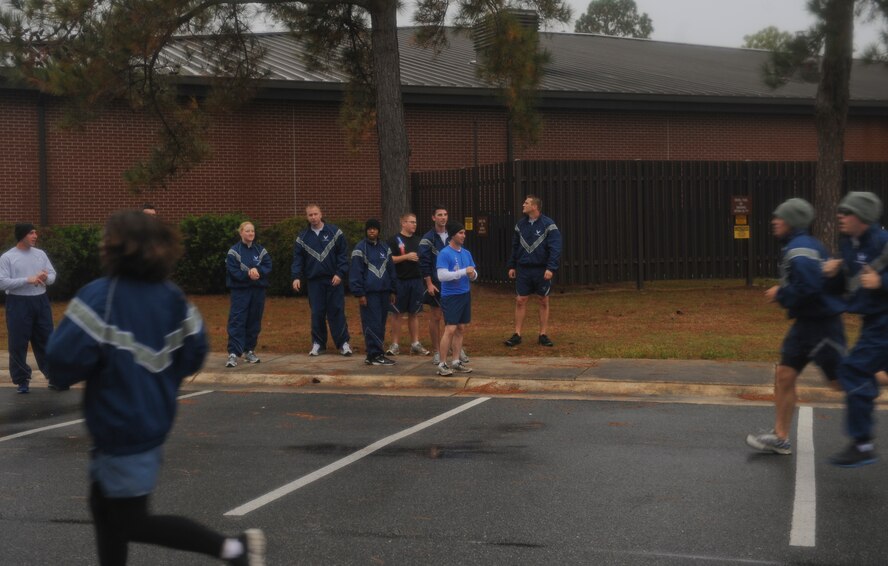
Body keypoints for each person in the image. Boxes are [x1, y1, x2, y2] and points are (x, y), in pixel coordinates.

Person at [44, 211, 265, 566]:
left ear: (117, 249)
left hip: (118, 426)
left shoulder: (101, 298)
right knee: (105, 510)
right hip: (152, 422)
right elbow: (195, 352)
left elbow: (60, 361)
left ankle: (234, 549)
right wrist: (158, 380)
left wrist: (100, 369)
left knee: (129, 521)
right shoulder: (173, 298)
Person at [745, 198, 845, 455]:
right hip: (804, 326)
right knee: (785, 376)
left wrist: (781, 293)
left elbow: (809, 289)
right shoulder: (802, 246)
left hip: (822, 327)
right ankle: (780, 437)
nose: (774, 221)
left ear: (791, 222)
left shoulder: (800, 249)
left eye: (779, 218)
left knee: (841, 383)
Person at [823, 191, 888, 467]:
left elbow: (874, 281)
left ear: (862, 217)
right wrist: (834, 274)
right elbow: (850, 285)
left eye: (846, 212)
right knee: (863, 373)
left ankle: (862, 443)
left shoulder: (883, 242)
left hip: (885, 321)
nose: (840, 215)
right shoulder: (849, 244)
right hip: (872, 320)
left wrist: (882, 283)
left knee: (853, 370)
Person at [0, 223, 57, 394]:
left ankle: (53, 376)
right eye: (31, 233)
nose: (35, 235)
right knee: (18, 342)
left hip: (40, 301)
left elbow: (53, 275)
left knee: (46, 339)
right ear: (22, 235)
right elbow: (2, 282)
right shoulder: (8, 257)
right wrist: (27, 280)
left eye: (35, 232)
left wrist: (46, 278)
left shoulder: (40, 254)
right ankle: (22, 380)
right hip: (18, 303)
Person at [291, 204, 352, 356]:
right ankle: (318, 343)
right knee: (317, 313)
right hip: (314, 282)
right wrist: (296, 277)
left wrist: (339, 274)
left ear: (321, 214)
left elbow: (343, 256)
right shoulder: (302, 238)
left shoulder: (335, 232)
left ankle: (343, 343)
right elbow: (297, 260)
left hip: (334, 280)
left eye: (315, 214)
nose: (313, 217)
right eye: (310, 215)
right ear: (307, 217)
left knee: (336, 311)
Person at [504, 195, 562, 348]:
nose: (523, 205)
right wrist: (512, 265)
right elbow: (515, 246)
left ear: (535, 207)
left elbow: (555, 247)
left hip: (541, 269)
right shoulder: (520, 225)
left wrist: (551, 268)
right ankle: (517, 334)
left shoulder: (548, 224)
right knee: (520, 300)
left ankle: (543, 334)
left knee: (543, 300)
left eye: (526, 203)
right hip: (523, 269)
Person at [419, 205, 468, 366]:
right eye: (439, 215)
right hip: (436, 282)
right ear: (433, 218)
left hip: (454, 284)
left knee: (454, 320)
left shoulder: (453, 235)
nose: (443, 217)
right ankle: (437, 351)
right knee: (436, 317)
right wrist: (429, 283)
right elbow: (424, 262)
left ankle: (456, 350)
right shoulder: (428, 238)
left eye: (445, 214)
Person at [225, 221, 272, 368]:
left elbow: (268, 265)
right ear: (241, 233)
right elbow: (233, 271)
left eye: (252, 231)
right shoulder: (234, 251)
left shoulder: (261, 250)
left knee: (254, 321)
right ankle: (233, 354)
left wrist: (259, 271)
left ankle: (249, 350)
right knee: (237, 321)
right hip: (240, 291)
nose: (250, 233)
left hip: (258, 291)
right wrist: (248, 274)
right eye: (247, 231)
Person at [350, 219, 396, 366]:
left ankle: (377, 353)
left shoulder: (385, 248)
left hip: (384, 292)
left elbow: (391, 271)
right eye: (369, 229)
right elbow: (356, 273)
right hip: (369, 294)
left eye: (374, 229)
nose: (372, 231)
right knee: (372, 323)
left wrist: (393, 290)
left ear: (378, 231)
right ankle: (373, 353)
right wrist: (360, 293)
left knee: (381, 323)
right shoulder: (360, 248)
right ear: (366, 231)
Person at [435, 221, 478, 376]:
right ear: (452, 235)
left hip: (464, 294)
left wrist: (473, 274)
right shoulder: (445, 253)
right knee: (450, 329)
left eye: (464, 233)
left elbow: (473, 272)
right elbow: (442, 276)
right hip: (450, 296)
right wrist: (463, 272)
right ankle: (441, 363)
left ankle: (456, 361)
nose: (463, 235)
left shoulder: (466, 253)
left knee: (460, 328)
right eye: (460, 233)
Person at [386, 212, 429, 357]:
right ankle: (395, 345)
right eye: (411, 222)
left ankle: (415, 344)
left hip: (416, 281)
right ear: (403, 223)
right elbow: (389, 260)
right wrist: (406, 257)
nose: (414, 225)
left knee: (414, 313)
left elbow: (424, 259)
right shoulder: (393, 240)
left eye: (415, 222)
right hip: (400, 281)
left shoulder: (419, 241)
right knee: (397, 313)